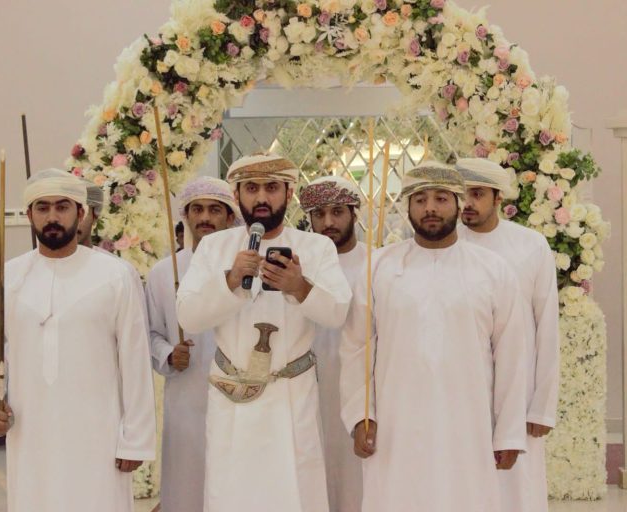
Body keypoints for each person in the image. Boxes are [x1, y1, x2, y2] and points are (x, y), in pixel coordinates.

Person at [339, 162, 528, 512]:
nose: (430, 208)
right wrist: (361, 416)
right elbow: (356, 347)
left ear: (458, 203)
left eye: (441, 198)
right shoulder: (379, 266)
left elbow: (512, 354)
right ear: (407, 207)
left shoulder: (493, 270)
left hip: (468, 423)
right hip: (396, 424)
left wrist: (509, 431)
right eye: (420, 199)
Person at [0, 168, 156, 512]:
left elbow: (135, 358)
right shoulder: (6, 279)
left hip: (99, 433)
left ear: (80, 212)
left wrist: (136, 438)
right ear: (29, 215)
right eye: (42, 208)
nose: (52, 217)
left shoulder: (115, 275)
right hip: (30, 433)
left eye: (62, 207)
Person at [176, 153, 352, 512]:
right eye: (251, 188)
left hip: (291, 397)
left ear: (288, 193)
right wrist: (230, 280)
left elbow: (337, 313)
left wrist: (299, 286)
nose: (261, 198)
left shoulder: (316, 247)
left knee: (295, 494)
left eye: (271, 188)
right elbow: (188, 317)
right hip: (233, 397)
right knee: (231, 495)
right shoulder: (213, 247)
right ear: (237, 195)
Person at [457, 157, 560, 512]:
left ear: (498, 197)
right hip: (463, 387)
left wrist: (542, 407)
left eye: (477, 194)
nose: (467, 203)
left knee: (517, 487)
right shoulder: (446, 245)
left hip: (519, 387)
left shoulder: (530, 245)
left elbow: (547, 326)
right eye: (461, 195)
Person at [145, 176, 238, 512]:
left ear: (230, 217)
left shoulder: (245, 268)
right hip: (186, 399)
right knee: (186, 486)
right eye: (197, 209)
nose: (205, 218)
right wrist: (170, 355)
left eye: (215, 210)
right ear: (186, 216)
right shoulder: (163, 272)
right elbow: (150, 334)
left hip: (239, 400)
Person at [299, 176, 365, 512]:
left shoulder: (376, 264)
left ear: (354, 214)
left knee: (358, 480)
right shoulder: (298, 267)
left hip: (361, 390)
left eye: (337, 212)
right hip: (308, 388)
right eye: (319, 214)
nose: (328, 222)